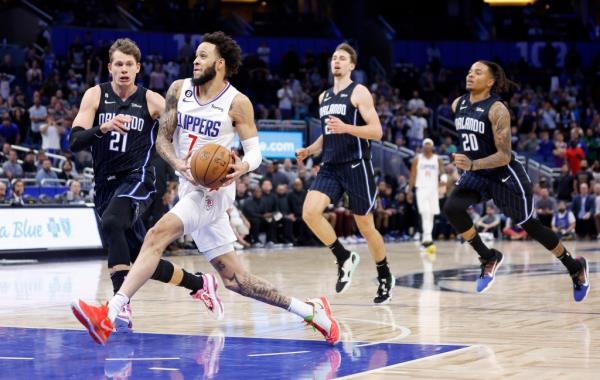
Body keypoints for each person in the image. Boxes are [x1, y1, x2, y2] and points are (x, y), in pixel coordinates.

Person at [71, 32, 339, 346]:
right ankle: (312, 311)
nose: (195, 61)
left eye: (203, 56)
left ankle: (110, 313)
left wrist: (242, 166)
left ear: (220, 64)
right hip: (189, 186)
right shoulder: (178, 89)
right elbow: (163, 139)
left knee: (156, 236)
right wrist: (178, 163)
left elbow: (254, 152)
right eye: (195, 56)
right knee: (237, 281)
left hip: (214, 191)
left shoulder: (238, 102)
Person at [68, 38, 214, 333]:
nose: (124, 70)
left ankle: (118, 308)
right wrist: (102, 128)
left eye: (129, 65)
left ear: (138, 68)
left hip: (138, 179)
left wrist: (196, 163)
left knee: (112, 223)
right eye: (118, 64)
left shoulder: (152, 100)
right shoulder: (95, 96)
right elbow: (73, 141)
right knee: (138, 259)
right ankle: (200, 283)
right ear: (110, 68)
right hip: (105, 184)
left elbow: (184, 130)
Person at [444, 60, 589, 301]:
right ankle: (488, 256)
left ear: (490, 82)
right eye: (469, 71)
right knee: (451, 208)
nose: (470, 75)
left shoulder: (497, 109)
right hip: (477, 173)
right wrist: (468, 163)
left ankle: (574, 267)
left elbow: (504, 156)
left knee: (530, 226)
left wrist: (472, 163)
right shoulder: (457, 104)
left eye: (478, 72)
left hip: (504, 175)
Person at [296, 43, 394, 304]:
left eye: (342, 58)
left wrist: (347, 127)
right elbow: (328, 134)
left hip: (356, 164)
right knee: (309, 213)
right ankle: (343, 256)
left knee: (366, 226)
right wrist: (310, 149)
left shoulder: (359, 92)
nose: (336, 61)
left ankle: (384, 274)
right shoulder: (324, 97)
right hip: (330, 165)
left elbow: (376, 131)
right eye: (334, 58)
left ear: (352, 65)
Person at [407, 138, 446, 254]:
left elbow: (443, 172)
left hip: (433, 190)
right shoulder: (417, 159)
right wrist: (409, 191)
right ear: (423, 146)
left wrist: (443, 179)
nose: (427, 147)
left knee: (431, 214)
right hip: (421, 189)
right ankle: (428, 240)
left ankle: (426, 240)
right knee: (424, 212)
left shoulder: (437, 159)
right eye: (426, 145)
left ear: (432, 147)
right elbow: (412, 175)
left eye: (429, 145)